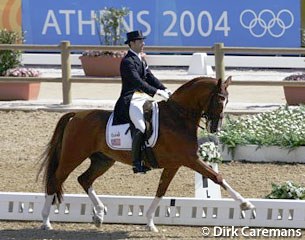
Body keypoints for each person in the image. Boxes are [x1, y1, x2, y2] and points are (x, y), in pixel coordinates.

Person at [113, 30, 171, 173]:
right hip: (131, 99)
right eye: (140, 41)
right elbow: (137, 82)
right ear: (132, 43)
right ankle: (136, 162)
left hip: (143, 98)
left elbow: (150, 77)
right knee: (141, 126)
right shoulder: (127, 62)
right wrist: (156, 92)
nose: (143, 43)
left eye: (142, 41)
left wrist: (165, 89)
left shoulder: (141, 60)